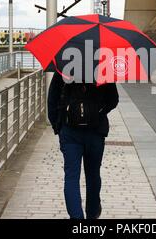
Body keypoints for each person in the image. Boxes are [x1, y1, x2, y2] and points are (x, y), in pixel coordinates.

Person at [48, 72, 119, 219]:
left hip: (70, 131)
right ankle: (92, 214)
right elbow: (113, 100)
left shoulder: (63, 67)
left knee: (71, 177)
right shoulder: (103, 69)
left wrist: (58, 126)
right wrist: (99, 112)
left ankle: (77, 218)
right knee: (93, 175)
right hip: (95, 131)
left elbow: (52, 99)